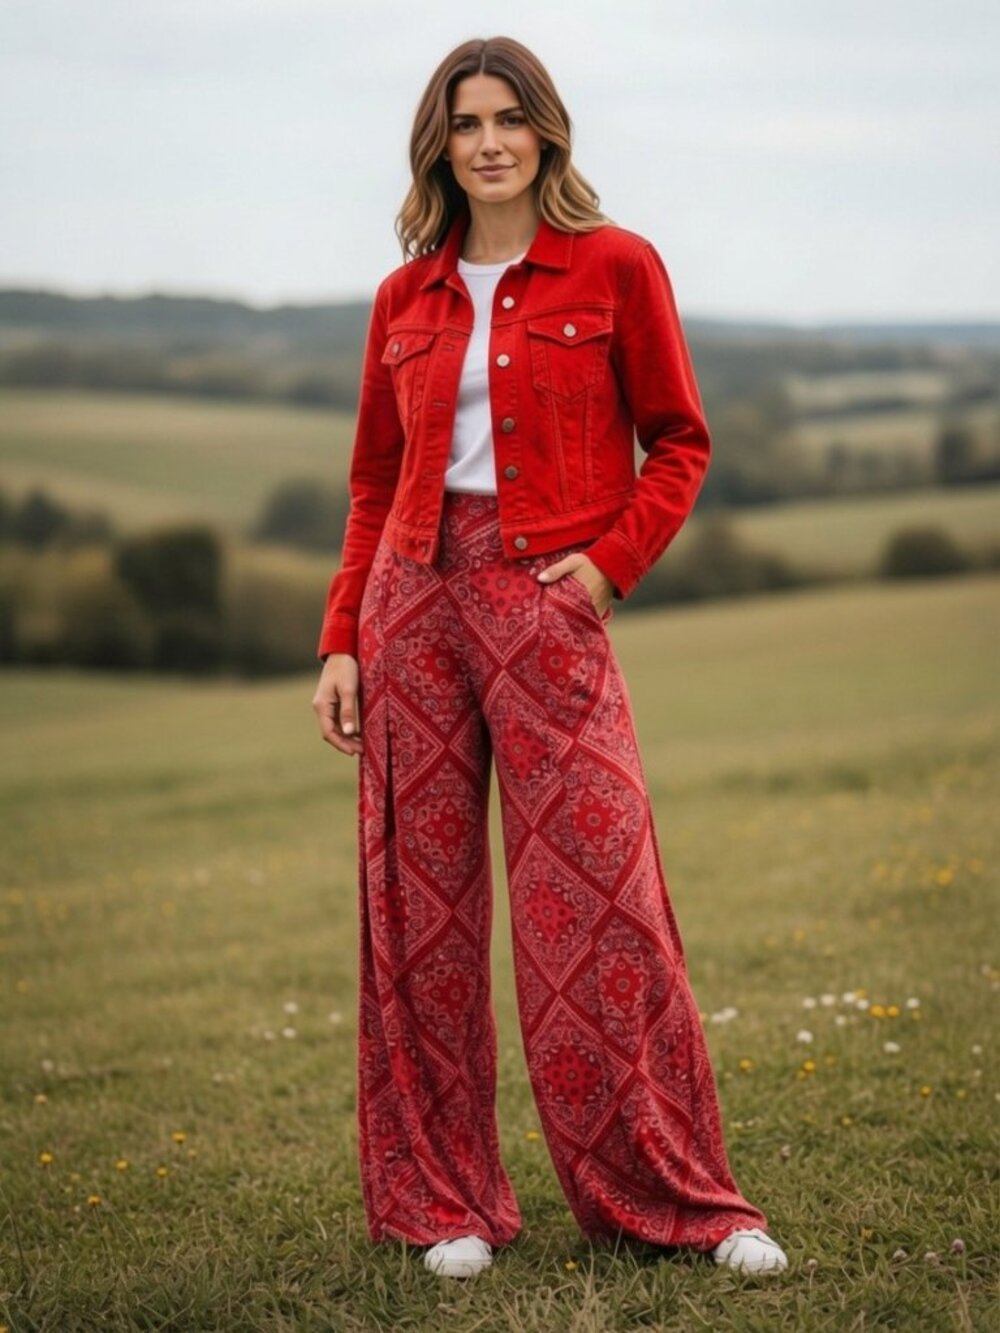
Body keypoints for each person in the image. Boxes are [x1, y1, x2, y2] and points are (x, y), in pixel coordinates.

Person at [312, 35, 788, 1281]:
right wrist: (341, 640)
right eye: (464, 123)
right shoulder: (401, 299)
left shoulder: (617, 266)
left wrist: (602, 570)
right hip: (409, 604)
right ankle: (444, 1202)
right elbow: (371, 482)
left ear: (546, 133)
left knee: (602, 896)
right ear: (439, 145)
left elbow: (679, 442)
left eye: (507, 119)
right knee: (420, 915)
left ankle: (677, 1201)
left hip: (548, 601)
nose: (487, 143)